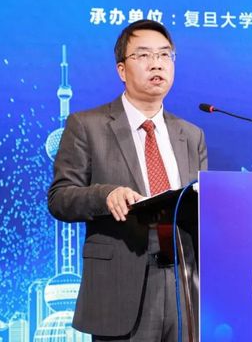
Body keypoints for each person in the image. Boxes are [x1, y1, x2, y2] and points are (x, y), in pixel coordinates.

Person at [48, 19, 207, 341]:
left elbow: (202, 209)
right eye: (144, 55)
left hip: (184, 286)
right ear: (122, 69)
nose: (156, 64)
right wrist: (105, 196)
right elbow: (60, 198)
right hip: (121, 286)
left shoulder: (191, 135)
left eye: (164, 55)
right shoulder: (87, 125)